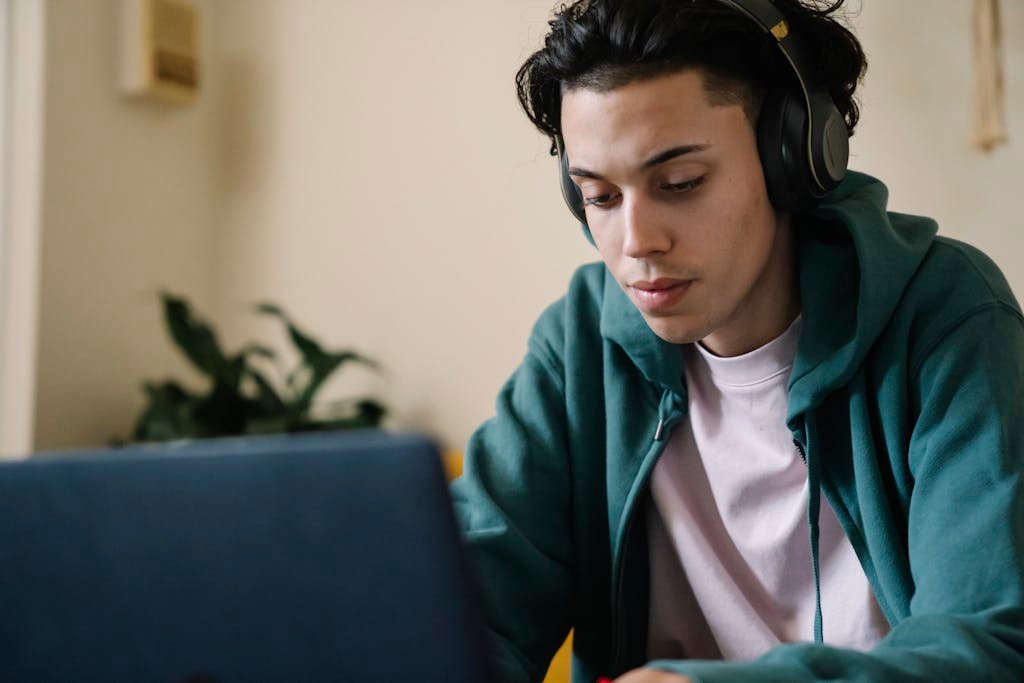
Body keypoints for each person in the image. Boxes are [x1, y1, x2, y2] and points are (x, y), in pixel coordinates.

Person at [450, 1, 1024, 681]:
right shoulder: (579, 339)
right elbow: (464, 610)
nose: (637, 243)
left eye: (681, 183)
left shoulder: (946, 316)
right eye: (601, 197)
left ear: (793, 156)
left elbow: (991, 643)